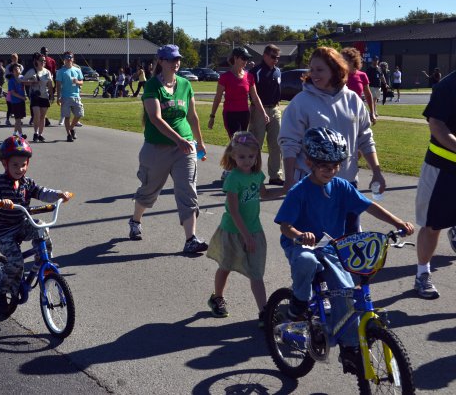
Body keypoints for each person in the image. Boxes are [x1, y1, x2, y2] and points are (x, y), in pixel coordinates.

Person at [275, 127, 414, 375]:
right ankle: (298, 303)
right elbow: (285, 226)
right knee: (306, 261)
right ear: (309, 162)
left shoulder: (341, 186)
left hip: (331, 248)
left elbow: (369, 206)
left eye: (336, 165)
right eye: (324, 166)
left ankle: (349, 348)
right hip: (303, 246)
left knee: (345, 291)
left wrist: (397, 223)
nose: (331, 170)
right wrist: (299, 235)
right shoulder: (299, 191)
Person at [279, 46, 386, 235]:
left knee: (350, 244)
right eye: (312, 69)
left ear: (336, 70)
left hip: (347, 184)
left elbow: (365, 138)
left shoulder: (353, 100)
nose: (314, 74)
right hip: (314, 185)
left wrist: (376, 172)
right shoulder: (302, 102)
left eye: (320, 69)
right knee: (315, 247)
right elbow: (289, 143)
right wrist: (289, 180)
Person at [128, 44, 209, 254]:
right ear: (161, 61)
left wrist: (199, 142)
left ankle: (190, 238)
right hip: (157, 148)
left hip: (185, 148)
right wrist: (177, 139)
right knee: (149, 191)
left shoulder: (185, 84)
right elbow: (155, 118)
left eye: (178, 59)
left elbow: (192, 116)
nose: (176, 63)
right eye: (172, 59)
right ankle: (136, 220)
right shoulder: (152, 86)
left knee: (187, 190)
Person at [205, 131, 283, 323]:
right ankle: (217, 297)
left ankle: (265, 313)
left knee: (256, 273)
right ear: (232, 155)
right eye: (241, 156)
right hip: (233, 231)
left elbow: (264, 195)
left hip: (254, 230)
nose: (247, 160)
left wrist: (285, 190)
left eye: (251, 156)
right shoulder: (233, 178)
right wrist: (245, 236)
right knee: (226, 266)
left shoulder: (257, 175)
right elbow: (233, 211)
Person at [0, 135, 71, 297]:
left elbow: (43, 192)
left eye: (23, 165)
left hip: (21, 224)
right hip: (2, 232)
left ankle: (44, 264)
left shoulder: (27, 183)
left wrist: (60, 194)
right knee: (16, 262)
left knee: (41, 228)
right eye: (15, 165)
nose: (20, 169)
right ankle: (0, 290)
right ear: (5, 164)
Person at [414, 70, 456, 299]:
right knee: (432, 225)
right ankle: (422, 274)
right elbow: (437, 125)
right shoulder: (448, 86)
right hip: (443, 169)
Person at [208, 47, 268, 180]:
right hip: (230, 114)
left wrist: (263, 113)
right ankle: (232, 169)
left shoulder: (249, 76)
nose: (246, 61)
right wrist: (212, 116)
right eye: (243, 58)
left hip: (244, 113)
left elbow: (255, 96)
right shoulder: (225, 77)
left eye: (247, 59)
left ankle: (229, 168)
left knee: (241, 142)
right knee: (237, 141)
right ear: (235, 58)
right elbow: (218, 97)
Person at [249, 44, 284, 186]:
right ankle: (252, 174)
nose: (275, 60)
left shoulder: (278, 72)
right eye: (273, 57)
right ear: (265, 55)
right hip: (258, 110)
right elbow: (251, 94)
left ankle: (275, 175)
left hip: (275, 109)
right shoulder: (255, 71)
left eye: (278, 58)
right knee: (256, 143)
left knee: (276, 143)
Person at [24, 53, 54, 142]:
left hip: (44, 96)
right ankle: (35, 133)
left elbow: (50, 84)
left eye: (44, 60)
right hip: (35, 96)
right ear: (36, 61)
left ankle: (40, 134)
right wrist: (32, 81)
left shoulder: (47, 72)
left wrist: (52, 95)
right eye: (41, 60)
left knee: (42, 116)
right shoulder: (31, 71)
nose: (43, 62)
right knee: (37, 115)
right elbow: (24, 81)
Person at [55, 51, 84, 142]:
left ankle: (71, 128)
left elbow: (82, 82)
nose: (69, 59)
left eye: (70, 57)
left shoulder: (77, 70)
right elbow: (58, 85)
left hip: (76, 96)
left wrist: (77, 82)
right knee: (67, 116)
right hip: (65, 97)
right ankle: (68, 135)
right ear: (64, 59)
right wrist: (58, 97)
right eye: (67, 58)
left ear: (73, 59)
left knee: (79, 114)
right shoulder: (61, 71)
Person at [341, 47, 376, 124]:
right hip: (341, 111)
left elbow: (368, 94)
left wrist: (372, 112)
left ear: (353, 61)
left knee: (358, 133)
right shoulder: (338, 75)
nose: (342, 62)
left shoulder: (362, 75)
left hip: (357, 111)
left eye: (345, 60)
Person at [6, 63, 30, 139]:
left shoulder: (22, 77)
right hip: (15, 102)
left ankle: (14, 134)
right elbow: (12, 92)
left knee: (18, 120)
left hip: (21, 102)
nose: (17, 70)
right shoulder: (11, 81)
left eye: (18, 68)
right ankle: (20, 135)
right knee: (18, 120)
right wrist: (22, 97)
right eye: (15, 69)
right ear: (12, 72)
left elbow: (28, 82)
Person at [4, 54, 23, 126]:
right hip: (11, 88)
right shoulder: (8, 67)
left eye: (16, 58)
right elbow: (6, 76)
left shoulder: (20, 66)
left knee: (18, 106)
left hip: (19, 88)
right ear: (11, 59)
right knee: (10, 107)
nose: (15, 59)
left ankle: (18, 120)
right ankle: (7, 119)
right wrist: (12, 78)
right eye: (14, 58)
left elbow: (21, 75)